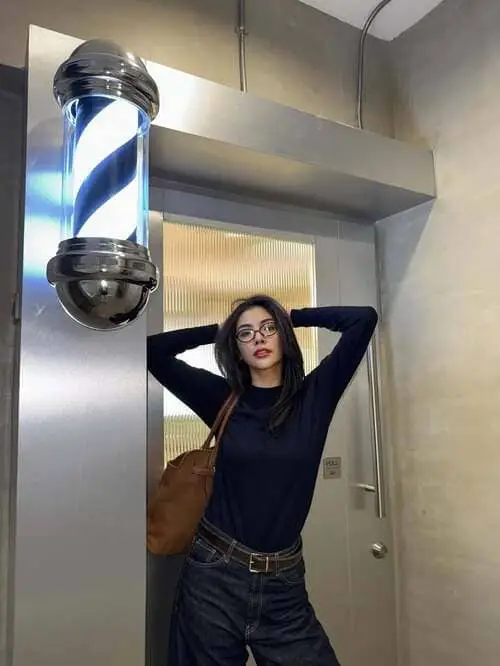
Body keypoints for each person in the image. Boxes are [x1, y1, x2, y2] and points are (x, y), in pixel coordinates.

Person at [147, 294, 378, 666]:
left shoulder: (315, 396)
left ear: (284, 338)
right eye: (246, 333)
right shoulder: (222, 398)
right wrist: (219, 330)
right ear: (237, 349)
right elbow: (152, 352)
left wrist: (294, 316)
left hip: (283, 586)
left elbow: (363, 319)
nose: (258, 337)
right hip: (213, 576)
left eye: (269, 328)